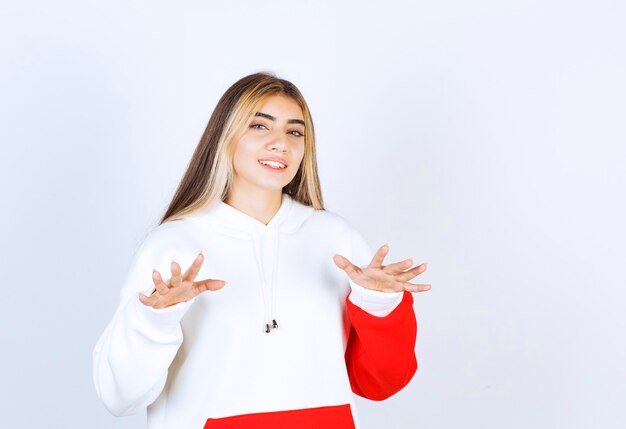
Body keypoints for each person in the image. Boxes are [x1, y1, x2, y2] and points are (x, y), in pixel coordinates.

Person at [92, 71, 432, 429]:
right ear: (225, 137)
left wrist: (379, 307)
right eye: (259, 126)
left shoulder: (336, 239)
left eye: (295, 132)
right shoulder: (174, 244)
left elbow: (381, 383)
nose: (280, 143)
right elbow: (119, 397)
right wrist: (154, 321)